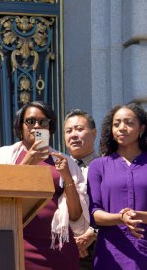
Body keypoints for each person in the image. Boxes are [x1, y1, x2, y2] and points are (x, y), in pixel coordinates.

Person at [0, 101, 89, 270]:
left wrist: (67, 177)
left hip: (58, 248)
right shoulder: (4, 155)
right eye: (30, 121)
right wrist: (28, 162)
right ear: (20, 126)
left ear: (49, 128)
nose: (37, 126)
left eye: (43, 122)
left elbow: (76, 216)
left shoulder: (66, 162)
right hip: (19, 245)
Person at [87, 103, 147, 269]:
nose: (122, 128)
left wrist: (138, 216)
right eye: (116, 124)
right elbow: (94, 214)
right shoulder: (98, 166)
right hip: (111, 254)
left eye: (129, 123)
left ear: (141, 128)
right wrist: (120, 218)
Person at [64, 109, 98, 270]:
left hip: (99, 248)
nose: (73, 135)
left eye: (79, 129)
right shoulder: (57, 167)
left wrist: (92, 234)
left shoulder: (107, 166)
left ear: (94, 133)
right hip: (64, 247)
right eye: (69, 131)